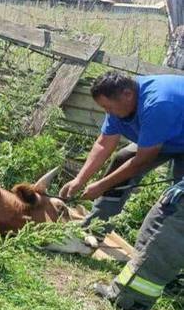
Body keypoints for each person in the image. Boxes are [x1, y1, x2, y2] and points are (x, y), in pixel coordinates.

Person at [59, 72, 184, 233]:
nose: (108, 112)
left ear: (128, 94)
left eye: (108, 107)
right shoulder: (120, 101)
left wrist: (101, 186)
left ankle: (160, 251)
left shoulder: (157, 104)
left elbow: (142, 161)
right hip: (168, 138)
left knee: (178, 197)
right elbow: (104, 143)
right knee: (122, 158)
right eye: (104, 108)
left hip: (169, 134)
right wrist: (80, 179)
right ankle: (94, 230)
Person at [94, 179, 184, 310]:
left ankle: (125, 299)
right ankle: (139, 302)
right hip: (177, 196)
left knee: (161, 251)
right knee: (148, 240)